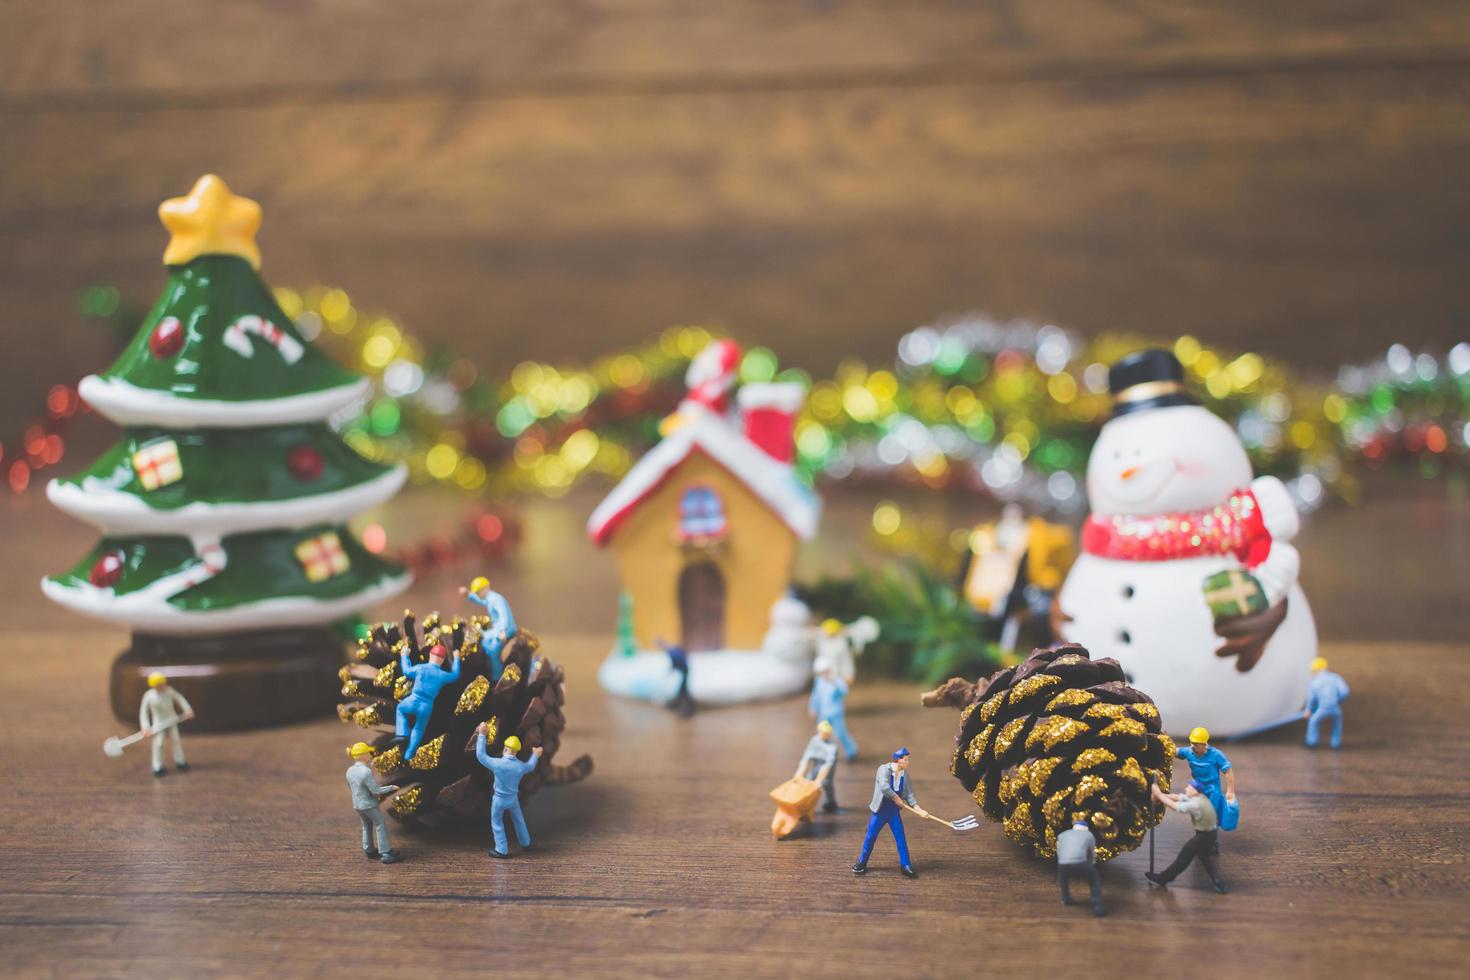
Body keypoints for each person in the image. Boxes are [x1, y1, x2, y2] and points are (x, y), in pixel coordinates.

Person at [853, 748, 925, 878]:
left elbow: (909, 795)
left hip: (893, 812)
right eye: (906, 760)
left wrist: (918, 809)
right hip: (880, 810)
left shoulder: (905, 775)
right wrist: (897, 799)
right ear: (898, 759)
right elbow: (884, 787)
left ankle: (905, 865)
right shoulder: (884, 769)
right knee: (870, 837)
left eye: (908, 760)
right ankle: (862, 862)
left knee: (900, 838)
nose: (908, 762)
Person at [1147, 780, 1229, 893]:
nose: (1186, 789)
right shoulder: (1200, 798)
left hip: (1203, 836)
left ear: (1195, 791)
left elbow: (1175, 807)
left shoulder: (1195, 804)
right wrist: (1160, 795)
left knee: (1183, 859)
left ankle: (1163, 878)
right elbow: (1177, 797)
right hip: (1210, 835)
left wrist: (1159, 795)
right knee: (1205, 858)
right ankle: (1219, 882)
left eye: (1189, 788)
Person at [474, 725, 542, 858]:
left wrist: (482, 735)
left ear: (505, 749)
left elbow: (481, 756)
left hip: (499, 799)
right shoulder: (520, 766)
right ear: (516, 752)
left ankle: (501, 849)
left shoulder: (497, 764)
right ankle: (526, 842)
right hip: (513, 799)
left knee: (497, 822)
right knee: (519, 820)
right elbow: (530, 766)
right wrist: (535, 755)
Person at [395, 643, 461, 760]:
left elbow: (406, 671)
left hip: (414, 699)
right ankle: (409, 755)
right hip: (427, 705)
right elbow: (455, 675)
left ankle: (402, 733)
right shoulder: (442, 675)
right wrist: (456, 658)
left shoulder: (420, 668)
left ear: (430, 655)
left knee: (400, 708)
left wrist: (404, 656)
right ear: (442, 660)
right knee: (419, 729)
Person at [345, 742, 400, 864]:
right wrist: (391, 787)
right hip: (368, 804)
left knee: (366, 825)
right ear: (362, 755)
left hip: (357, 804)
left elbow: (350, 786)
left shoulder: (349, 771)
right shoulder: (366, 771)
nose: (370, 755)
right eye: (368, 753)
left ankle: (369, 849)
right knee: (380, 824)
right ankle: (385, 852)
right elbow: (376, 791)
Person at [461, 576, 517, 683]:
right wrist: (469, 594)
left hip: (504, 630)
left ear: (484, 589)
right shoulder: (489, 598)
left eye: (478, 593)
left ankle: (497, 678)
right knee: (485, 642)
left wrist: (503, 631)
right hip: (497, 629)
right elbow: (481, 601)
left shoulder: (496, 599)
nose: (477, 595)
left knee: (492, 651)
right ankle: (488, 668)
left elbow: (503, 615)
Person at [139, 672, 194, 777]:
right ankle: (158, 766)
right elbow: (143, 713)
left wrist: (188, 710)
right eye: (158, 685)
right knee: (158, 744)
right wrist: (145, 727)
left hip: (172, 719)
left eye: (162, 684)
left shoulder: (169, 691)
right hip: (158, 723)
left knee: (176, 740)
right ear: (154, 686)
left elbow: (180, 699)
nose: (161, 687)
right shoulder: (148, 696)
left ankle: (180, 762)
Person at [1177, 726, 1235, 825]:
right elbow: (1175, 751)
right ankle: (1199, 835)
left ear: (1204, 744)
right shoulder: (1188, 752)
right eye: (1191, 743)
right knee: (1196, 813)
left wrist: (1230, 791)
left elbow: (1228, 771)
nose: (1192, 746)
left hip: (1213, 789)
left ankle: (1212, 839)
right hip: (1197, 789)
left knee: (1211, 815)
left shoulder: (1216, 755)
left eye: (1196, 744)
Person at [1056, 820, 1105, 916]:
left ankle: (1065, 898)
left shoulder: (1062, 835)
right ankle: (1097, 904)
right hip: (1080, 862)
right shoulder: (1089, 835)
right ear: (1086, 829)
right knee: (1094, 879)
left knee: (1062, 878)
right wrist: (1090, 865)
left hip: (1062, 863)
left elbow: (1059, 851)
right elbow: (1091, 854)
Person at [809, 665, 857, 760]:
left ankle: (851, 751)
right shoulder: (819, 682)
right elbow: (816, 696)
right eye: (822, 672)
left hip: (836, 713)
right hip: (823, 713)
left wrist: (834, 684)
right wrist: (813, 708)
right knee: (822, 733)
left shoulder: (837, 681)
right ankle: (822, 754)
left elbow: (843, 692)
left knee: (840, 733)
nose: (824, 674)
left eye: (826, 671)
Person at [1303, 657, 1350, 750]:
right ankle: (1335, 744)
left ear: (1316, 671)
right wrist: (1337, 701)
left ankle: (1311, 742)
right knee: (1337, 724)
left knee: (1313, 722)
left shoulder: (1314, 682)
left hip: (1323, 707)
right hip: (1335, 707)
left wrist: (1308, 710)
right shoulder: (1335, 677)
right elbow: (1345, 692)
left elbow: (1311, 698)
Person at [794, 720, 840, 813]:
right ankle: (804, 803)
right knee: (808, 779)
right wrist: (799, 773)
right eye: (823, 733)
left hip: (828, 769)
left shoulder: (832, 748)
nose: (825, 735)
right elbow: (806, 757)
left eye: (827, 733)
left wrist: (819, 780)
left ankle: (831, 803)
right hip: (817, 765)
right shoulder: (814, 740)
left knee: (827, 784)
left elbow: (828, 765)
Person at [656, 639, 695, 717]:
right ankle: (681, 706)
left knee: (683, 690)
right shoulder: (672, 649)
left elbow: (677, 660)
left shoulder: (671, 651)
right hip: (684, 669)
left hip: (684, 669)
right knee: (682, 689)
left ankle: (688, 710)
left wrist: (672, 668)